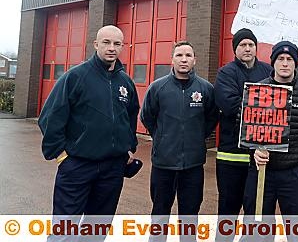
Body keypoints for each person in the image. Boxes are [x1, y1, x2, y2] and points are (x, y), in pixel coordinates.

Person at [38, 25, 139, 239]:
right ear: (96, 44)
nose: (111, 48)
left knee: (96, 230)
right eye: (106, 42)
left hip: (112, 169)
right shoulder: (75, 76)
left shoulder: (125, 82)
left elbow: (130, 116)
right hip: (77, 166)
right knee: (64, 231)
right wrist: (60, 154)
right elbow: (50, 116)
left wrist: (129, 147)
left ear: (123, 47)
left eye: (117, 44)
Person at [242, 41, 298, 241]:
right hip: (262, 172)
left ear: (296, 63)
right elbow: (246, 128)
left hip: (295, 173)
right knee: (258, 232)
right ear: (273, 62)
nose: (285, 63)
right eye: (280, 59)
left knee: (296, 233)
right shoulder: (257, 91)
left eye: (289, 59)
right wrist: (253, 151)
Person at [140, 41, 218, 241]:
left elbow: (211, 118)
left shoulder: (206, 89)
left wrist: (196, 136)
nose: (184, 59)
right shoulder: (158, 88)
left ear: (194, 60)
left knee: (190, 214)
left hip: (193, 165)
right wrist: (162, 136)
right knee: (160, 213)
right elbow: (147, 116)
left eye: (188, 56)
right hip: (163, 164)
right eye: (179, 55)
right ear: (172, 60)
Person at [213, 28, 271, 219]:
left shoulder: (268, 71)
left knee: (256, 211)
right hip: (231, 156)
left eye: (251, 44)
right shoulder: (225, 73)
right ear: (235, 49)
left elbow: (279, 104)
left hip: (260, 157)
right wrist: (264, 109)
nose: (247, 48)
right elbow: (230, 106)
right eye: (242, 45)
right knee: (228, 211)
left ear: (256, 47)